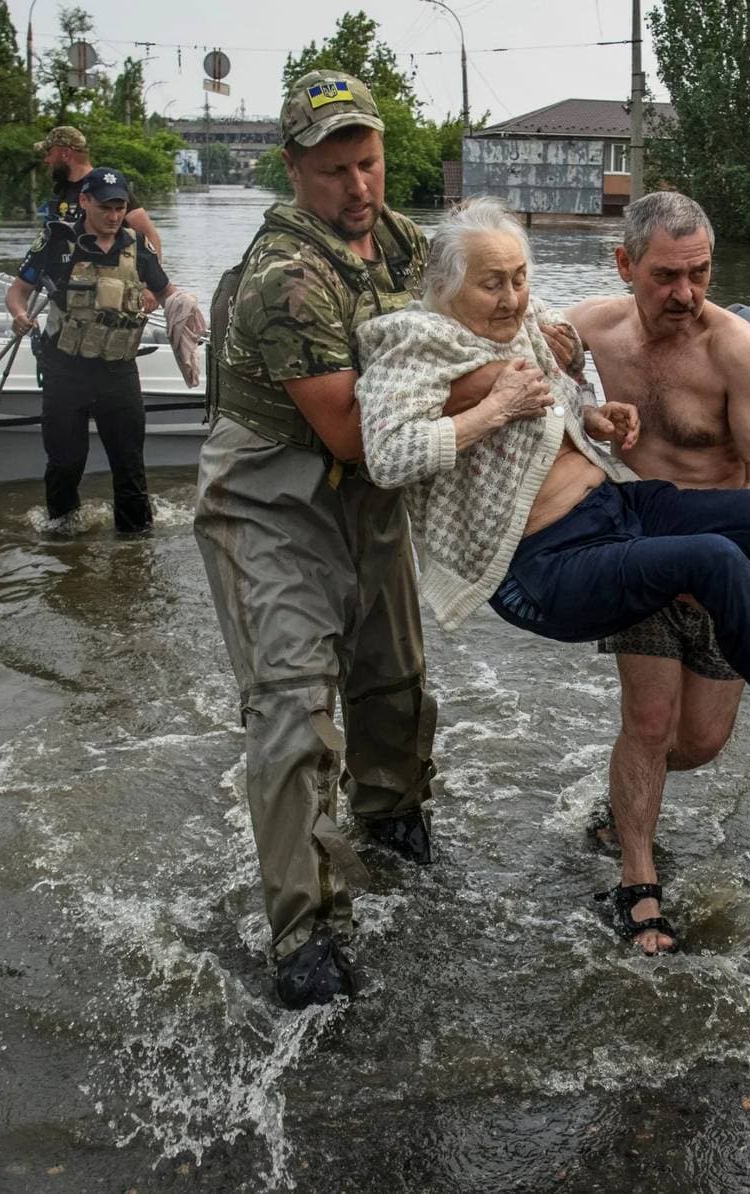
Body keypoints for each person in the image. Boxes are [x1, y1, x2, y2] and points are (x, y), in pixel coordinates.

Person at [355, 199, 750, 940]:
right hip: (559, 561)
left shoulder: (709, 345)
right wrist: (498, 403)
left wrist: (596, 417)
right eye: (492, 283)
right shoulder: (423, 342)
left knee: (749, 547)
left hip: (632, 520)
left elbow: (582, 402)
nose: (686, 292)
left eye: (518, 278)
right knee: (653, 707)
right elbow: (387, 455)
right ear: (626, 267)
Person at [191, 72, 442, 1009]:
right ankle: (306, 931)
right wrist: (495, 401)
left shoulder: (402, 240)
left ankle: (395, 824)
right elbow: (352, 431)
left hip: (366, 499)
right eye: (334, 170)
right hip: (274, 500)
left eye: (368, 163)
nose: (358, 188)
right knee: (295, 710)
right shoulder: (284, 278)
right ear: (294, 169)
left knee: (393, 682)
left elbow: (463, 323)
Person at [561, 191, 750, 955]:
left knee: (701, 741)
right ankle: (637, 881)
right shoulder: (593, 327)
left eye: (700, 273)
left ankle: (619, 804)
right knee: (649, 726)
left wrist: (730, 566)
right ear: (625, 265)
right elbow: (515, 345)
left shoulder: (734, 350)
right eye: (665, 276)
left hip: (721, 567)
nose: (685, 294)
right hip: (641, 553)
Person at [7, 166, 180, 534]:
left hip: (118, 373)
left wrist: (186, 311)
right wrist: (20, 316)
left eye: (119, 207)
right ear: (84, 201)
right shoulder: (57, 242)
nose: (114, 216)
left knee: (129, 468)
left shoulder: (137, 247)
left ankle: (135, 553)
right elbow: (17, 292)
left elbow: (169, 295)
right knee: (66, 464)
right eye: (105, 207)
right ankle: (63, 549)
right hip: (66, 372)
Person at [34, 126, 163, 254]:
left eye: (49, 154)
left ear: (66, 154)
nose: (46, 160)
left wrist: (153, 271)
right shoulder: (62, 190)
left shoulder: (107, 186)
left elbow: (149, 235)